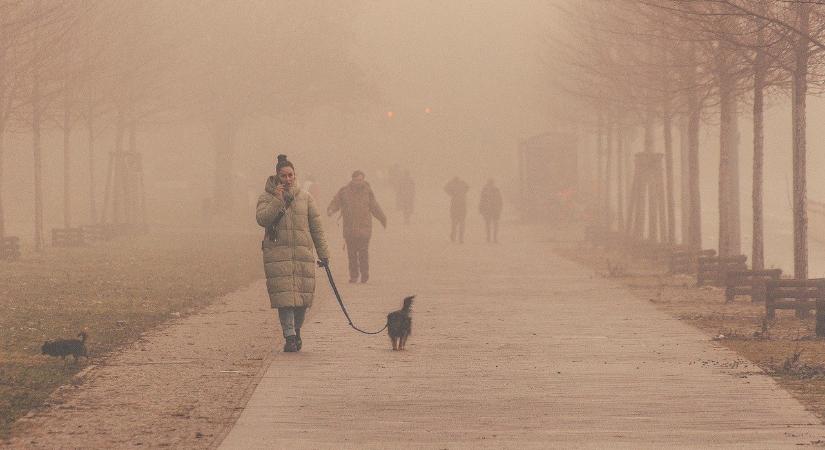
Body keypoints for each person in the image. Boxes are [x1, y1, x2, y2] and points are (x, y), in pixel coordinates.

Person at [256, 154, 329, 353]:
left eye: (290, 175)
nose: (287, 179)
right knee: (285, 299)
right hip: (278, 255)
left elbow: (317, 228)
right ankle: (289, 336)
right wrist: (277, 201)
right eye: (283, 176)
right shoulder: (266, 197)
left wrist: (324, 254)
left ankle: (296, 331)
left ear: (295, 175)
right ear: (277, 177)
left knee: (302, 300)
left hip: (302, 254)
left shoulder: (306, 198)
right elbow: (262, 219)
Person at [327, 170, 387, 283]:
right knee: (352, 253)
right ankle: (354, 275)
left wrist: (382, 218)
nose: (359, 182)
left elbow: (374, 206)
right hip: (349, 228)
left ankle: (365, 274)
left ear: (363, 180)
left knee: (363, 252)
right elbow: (336, 202)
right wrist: (331, 210)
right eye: (357, 180)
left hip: (365, 228)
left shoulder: (367, 192)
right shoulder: (344, 192)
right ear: (352, 179)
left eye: (361, 180)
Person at [444, 176, 469, 243]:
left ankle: (454, 236)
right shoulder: (463, 184)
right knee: (461, 223)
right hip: (462, 206)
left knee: (454, 223)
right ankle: (460, 238)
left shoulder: (453, 187)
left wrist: (451, 193)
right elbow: (467, 187)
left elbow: (445, 188)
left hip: (455, 206)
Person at [479, 178, 503, 243]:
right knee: (494, 224)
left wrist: (481, 209)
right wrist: (500, 208)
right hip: (494, 209)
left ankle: (489, 238)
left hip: (488, 210)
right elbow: (500, 200)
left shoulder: (485, 190)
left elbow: (482, 200)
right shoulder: (496, 190)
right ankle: (494, 238)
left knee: (488, 224)